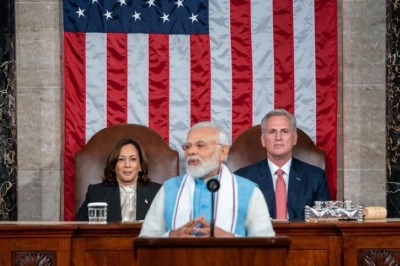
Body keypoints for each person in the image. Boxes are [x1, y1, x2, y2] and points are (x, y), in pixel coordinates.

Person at [139, 122, 275, 237]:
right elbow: (144, 241)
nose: (191, 151)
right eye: (187, 146)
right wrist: (171, 237)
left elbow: (268, 247)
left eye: (200, 145)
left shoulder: (248, 191)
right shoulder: (169, 189)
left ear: (223, 152)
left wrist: (230, 239)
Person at [234, 109, 330, 220]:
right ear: (263, 140)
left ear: (294, 139)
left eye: (284, 131)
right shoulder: (243, 178)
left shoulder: (316, 177)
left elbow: (324, 224)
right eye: (272, 132)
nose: (278, 138)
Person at [76, 138, 161, 222]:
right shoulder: (96, 193)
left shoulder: (158, 193)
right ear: (113, 166)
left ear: (140, 166)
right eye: (121, 159)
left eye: (133, 159)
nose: (127, 165)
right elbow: (80, 229)